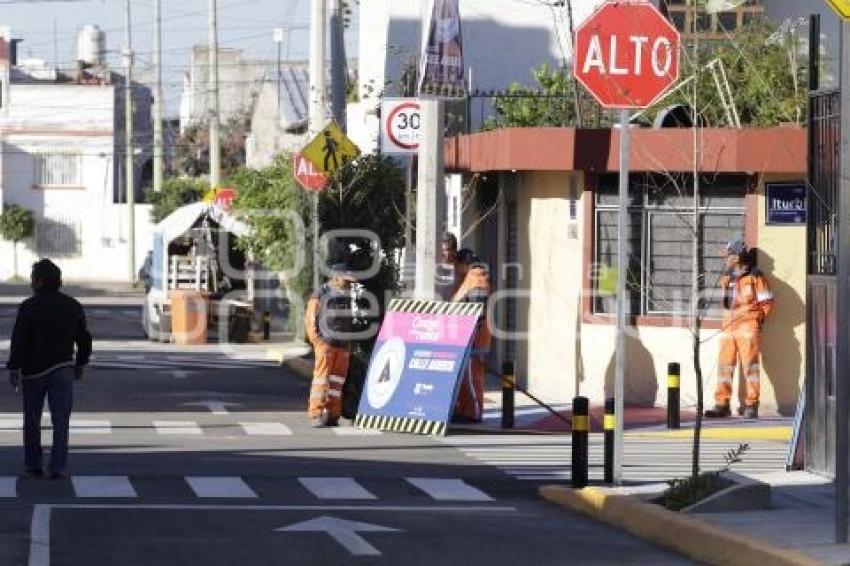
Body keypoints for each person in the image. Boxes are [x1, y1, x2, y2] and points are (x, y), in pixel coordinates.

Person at [6, 259, 92, 478]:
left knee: (32, 420)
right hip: (63, 368)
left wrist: (14, 368)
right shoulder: (73, 305)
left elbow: (19, 341)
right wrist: (81, 363)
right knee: (61, 421)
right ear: (59, 281)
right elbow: (84, 338)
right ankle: (58, 466)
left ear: (38, 281)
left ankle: (33, 464)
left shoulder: (28, 307)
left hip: (33, 372)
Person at [705, 241, 774, 420]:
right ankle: (722, 404)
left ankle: (751, 404)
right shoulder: (728, 277)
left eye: (729, 254)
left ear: (738, 256)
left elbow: (767, 303)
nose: (726, 258)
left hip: (748, 326)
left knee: (750, 366)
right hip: (728, 325)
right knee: (725, 365)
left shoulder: (755, 276)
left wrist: (756, 320)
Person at [304, 263, 356, 427]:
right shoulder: (321, 293)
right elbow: (311, 317)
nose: (349, 284)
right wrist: (316, 340)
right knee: (322, 379)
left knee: (337, 382)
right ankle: (316, 413)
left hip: (342, 345)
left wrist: (348, 343)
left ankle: (333, 414)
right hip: (326, 343)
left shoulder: (346, 295)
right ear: (336, 277)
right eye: (346, 280)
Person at [452, 249, 492, 424]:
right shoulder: (469, 278)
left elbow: (478, 311)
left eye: (457, 265)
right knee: (465, 378)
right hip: (467, 337)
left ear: (463, 264)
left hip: (474, 338)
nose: (455, 269)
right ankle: (464, 409)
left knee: (472, 378)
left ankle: (473, 413)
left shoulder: (476, 278)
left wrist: (470, 333)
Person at [436, 232, 462, 301]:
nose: (442, 253)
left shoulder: (460, 272)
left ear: (454, 251)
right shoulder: (434, 270)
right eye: (441, 250)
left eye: (446, 250)